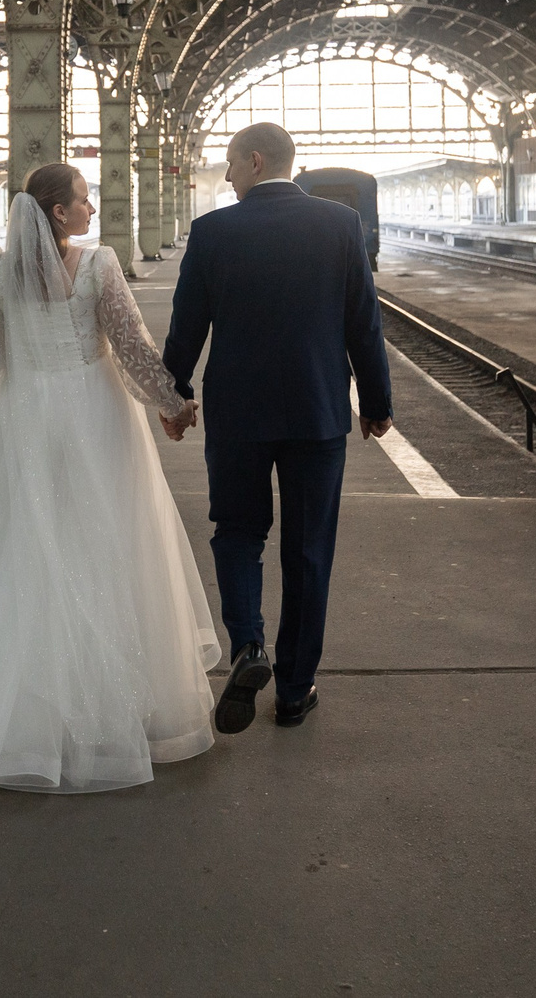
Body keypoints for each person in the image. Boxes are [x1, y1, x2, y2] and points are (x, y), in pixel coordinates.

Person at [0, 164, 216, 793]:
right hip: (93, 414)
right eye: (83, 200)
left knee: (15, 551)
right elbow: (131, 346)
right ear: (58, 212)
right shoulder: (100, 265)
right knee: (101, 545)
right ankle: (109, 704)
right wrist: (173, 404)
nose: (92, 210)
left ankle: (10, 714)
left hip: (21, 417)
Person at [162, 121, 393, 734]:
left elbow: (187, 327)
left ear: (255, 161)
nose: (229, 177)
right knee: (309, 548)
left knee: (237, 532)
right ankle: (294, 689)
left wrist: (174, 395)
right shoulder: (338, 226)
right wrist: (375, 402)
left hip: (239, 415)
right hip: (317, 414)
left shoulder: (212, 232)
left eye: (232, 166)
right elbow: (363, 324)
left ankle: (248, 650)